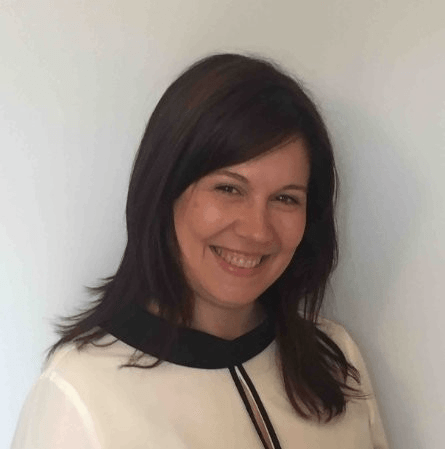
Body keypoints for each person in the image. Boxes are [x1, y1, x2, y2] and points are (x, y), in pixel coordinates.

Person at [12, 53, 389, 449]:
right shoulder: (79, 396)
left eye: (285, 198)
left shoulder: (336, 360)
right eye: (229, 188)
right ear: (164, 190)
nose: (257, 230)